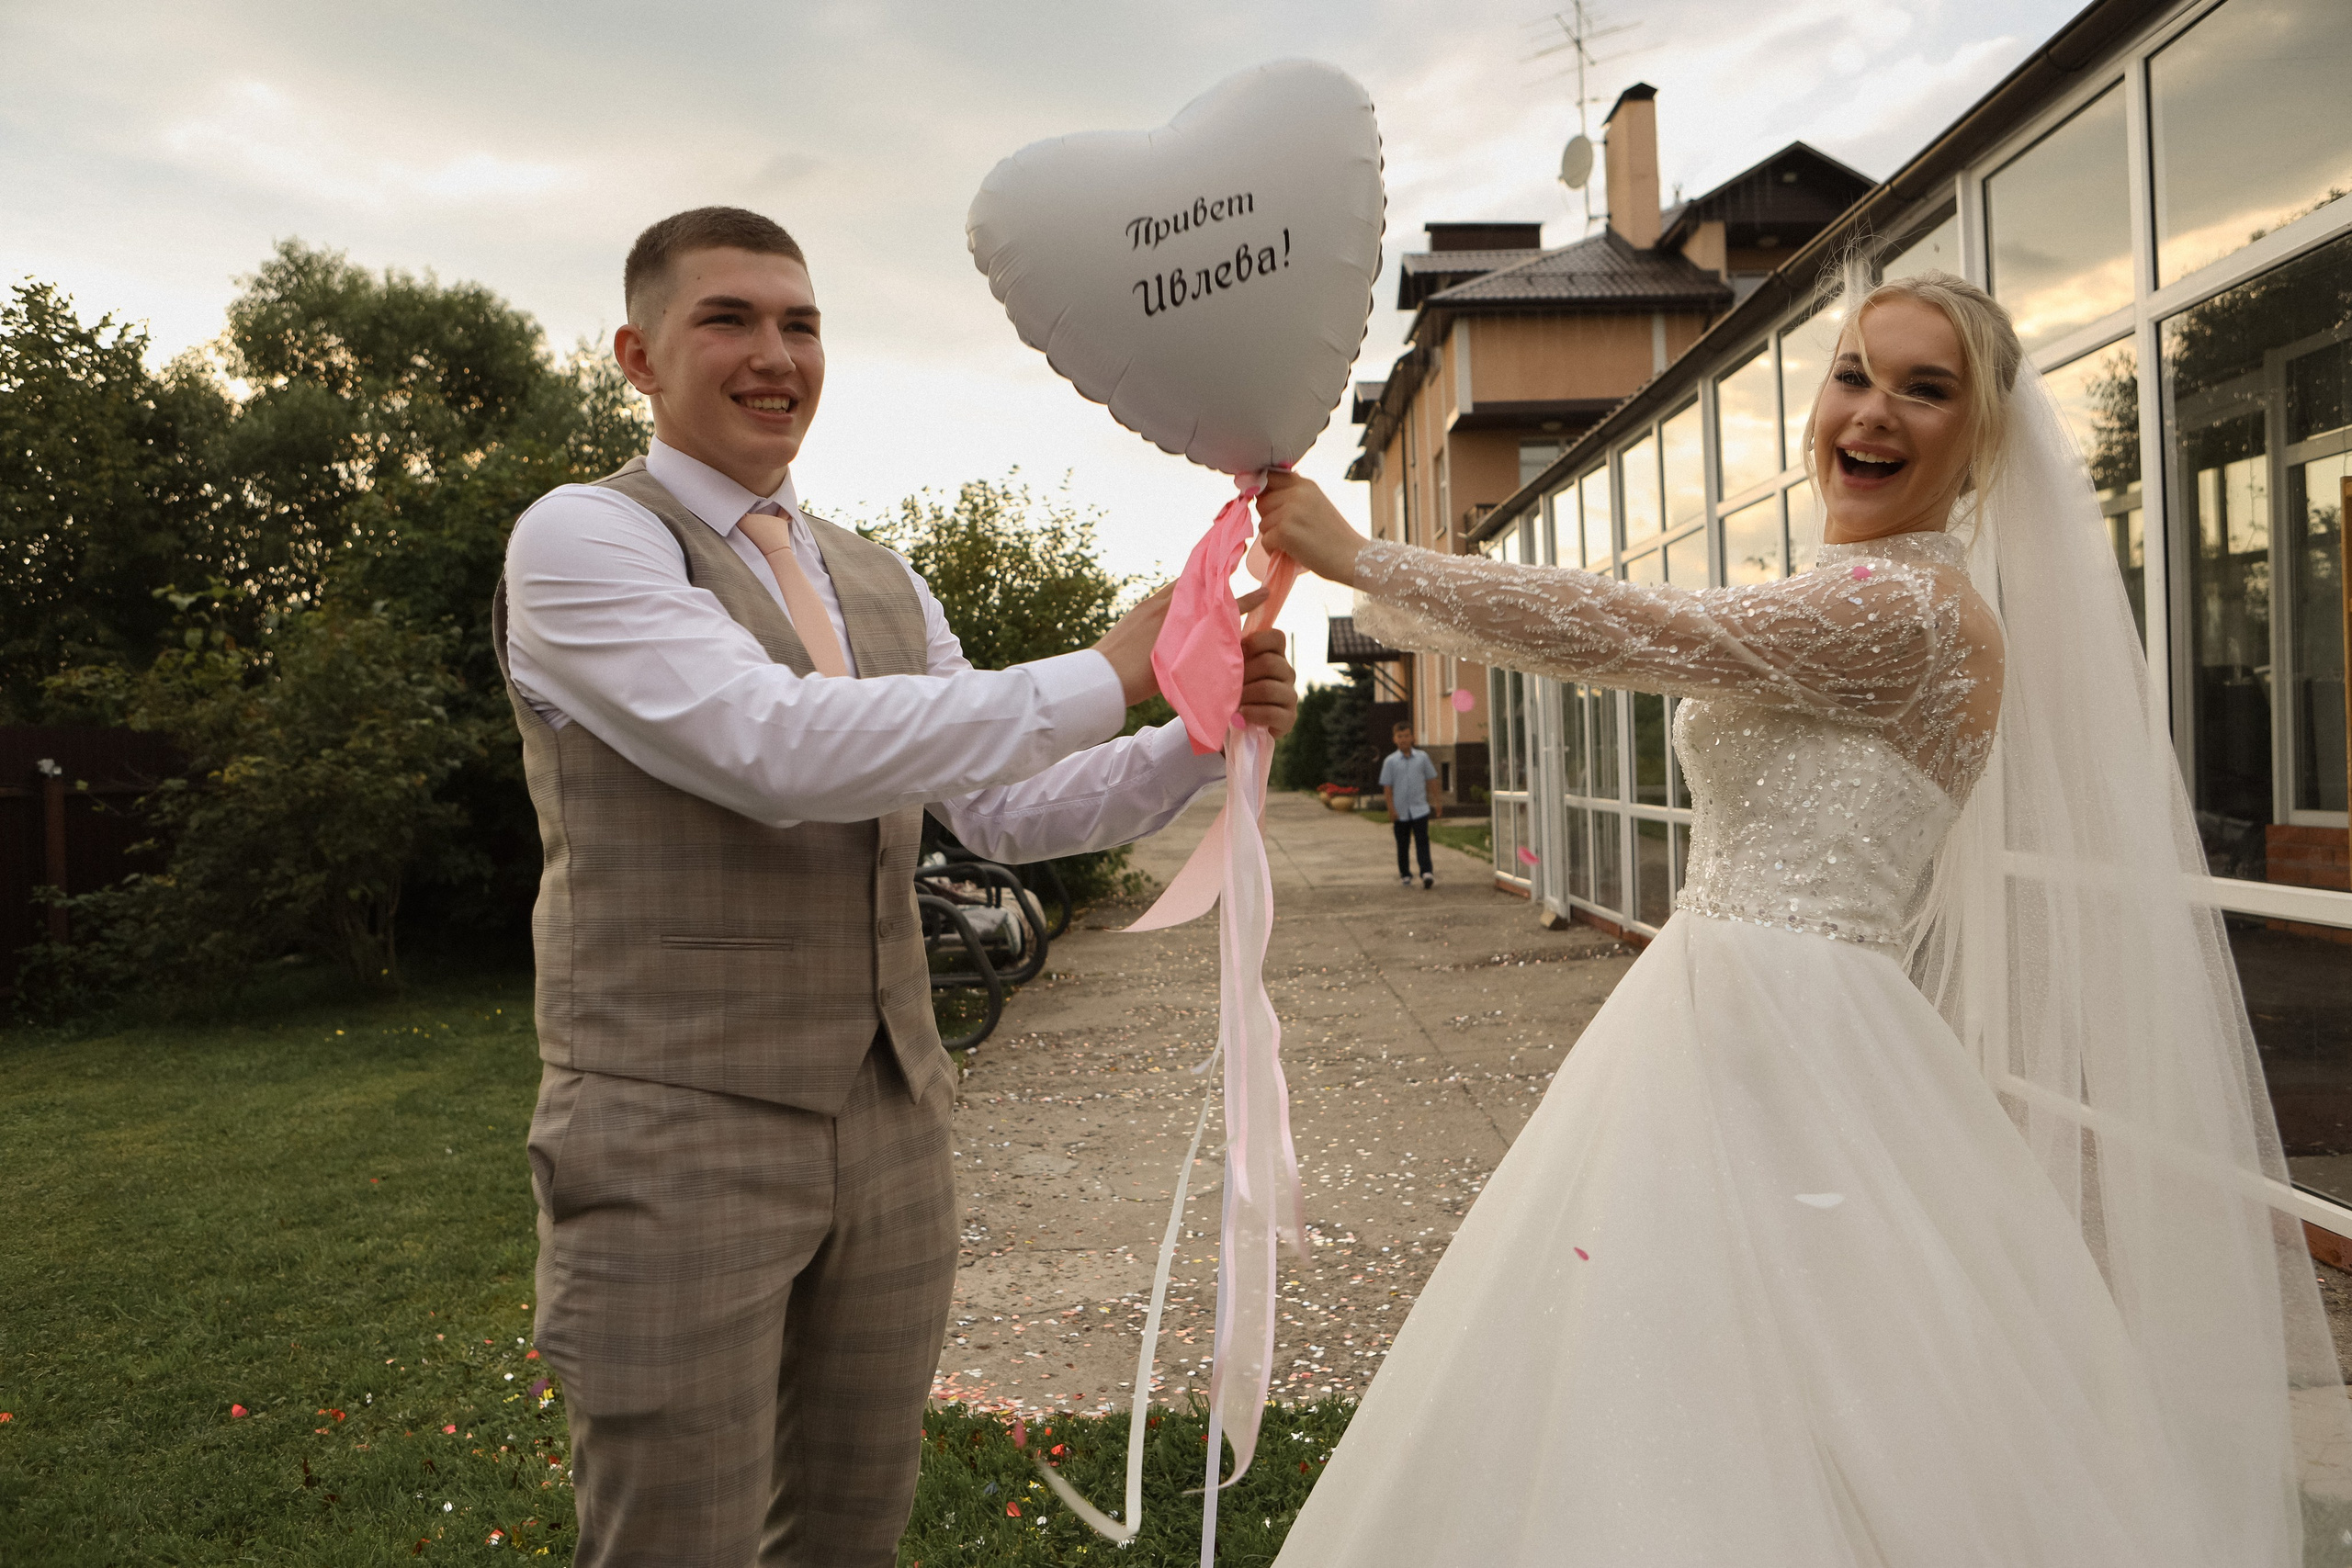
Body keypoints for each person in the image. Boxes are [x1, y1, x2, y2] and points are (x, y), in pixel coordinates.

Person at [1254, 267, 2348, 1565]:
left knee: (1790, 1384)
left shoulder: (1909, 608)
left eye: (1924, 389)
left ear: (1983, 439)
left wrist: (1359, 557)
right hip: (1726, 1020)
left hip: (1799, 1036)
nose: (1873, 414)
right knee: (1694, 1364)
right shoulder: (1866, 590)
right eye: (1853, 375)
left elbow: (1646, 625)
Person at [495, 206, 1295, 1568]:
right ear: (637, 354)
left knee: (853, 1524)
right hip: (675, 1125)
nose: (775, 354)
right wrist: (1111, 668)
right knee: (671, 1538)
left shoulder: (874, 575)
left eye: (801, 323)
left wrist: (1192, 738)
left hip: (890, 1120)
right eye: (729, 320)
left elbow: (994, 810)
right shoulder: (585, 542)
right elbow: (773, 746)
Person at [1378, 721, 1441, 887]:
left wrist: (1437, 802)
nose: (1403, 739)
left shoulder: (1422, 757)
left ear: (1412, 738)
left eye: (1406, 736)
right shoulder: (1390, 762)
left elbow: (1431, 780)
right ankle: (1405, 873)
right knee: (1403, 844)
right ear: (1394, 739)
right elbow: (1387, 788)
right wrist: (1391, 809)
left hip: (1420, 809)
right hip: (1400, 811)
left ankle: (1426, 872)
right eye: (1400, 737)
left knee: (1422, 841)